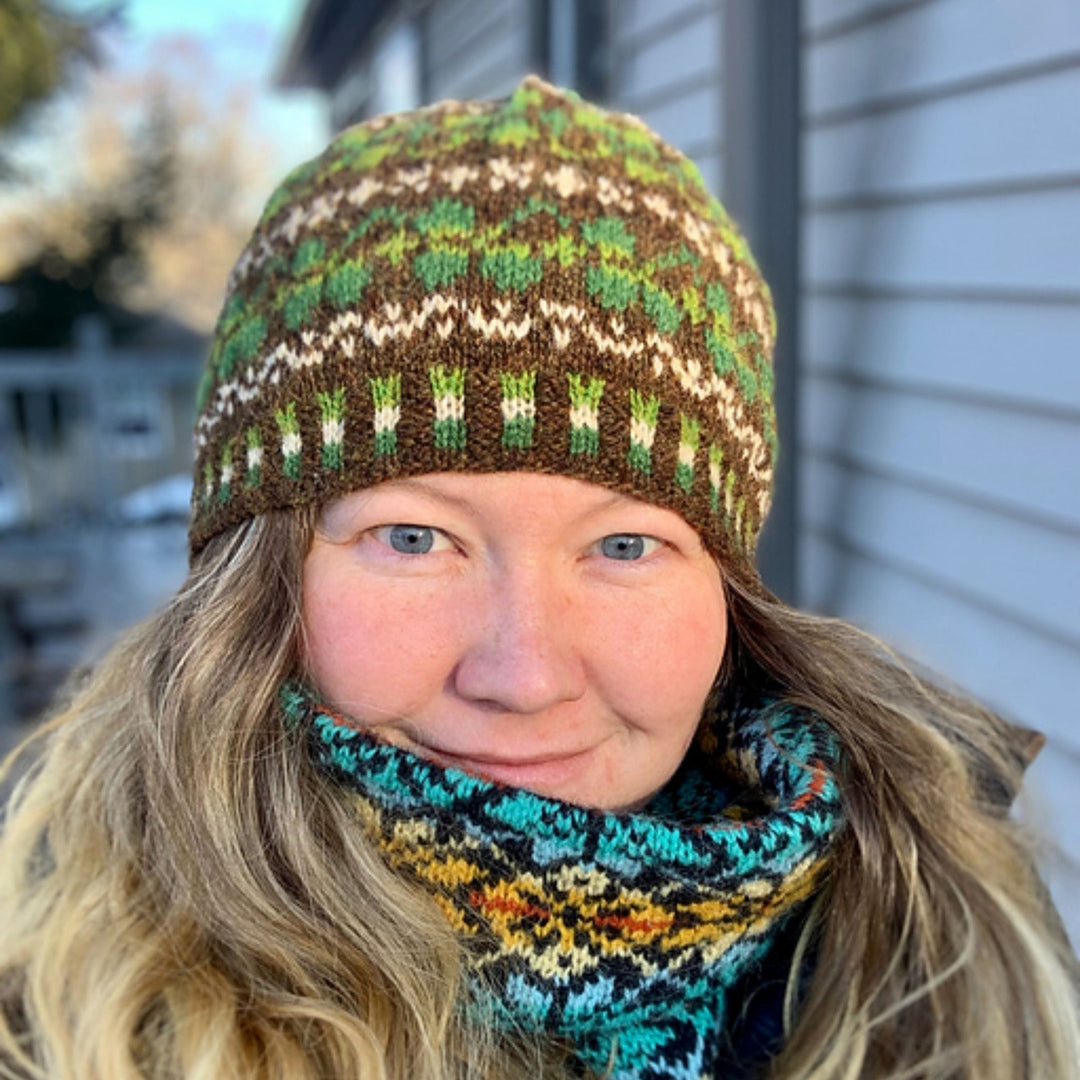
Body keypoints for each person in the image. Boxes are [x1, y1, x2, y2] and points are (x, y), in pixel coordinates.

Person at [0, 75, 1076, 1080]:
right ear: (253, 577)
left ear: (724, 586)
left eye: (623, 547)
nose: (522, 675)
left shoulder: (950, 937)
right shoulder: (63, 1009)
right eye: (414, 538)